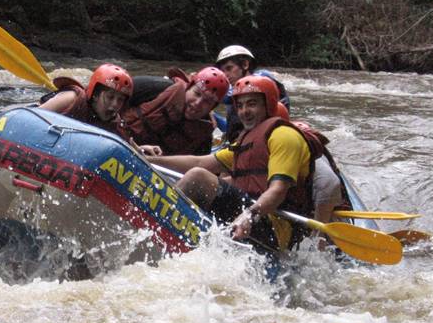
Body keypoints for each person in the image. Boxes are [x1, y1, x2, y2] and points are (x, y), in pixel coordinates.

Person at [145, 75, 324, 256]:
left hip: (276, 227)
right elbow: (201, 161)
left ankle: (150, 226)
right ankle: (167, 228)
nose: (244, 111)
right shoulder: (247, 140)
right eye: (240, 106)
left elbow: (277, 191)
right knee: (208, 175)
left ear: (268, 104)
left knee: (197, 177)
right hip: (252, 213)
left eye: (252, 104)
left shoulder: (284, 136)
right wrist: (149, 160)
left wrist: (249, 215)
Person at [119, 67, 229, 156]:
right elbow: (111, 99)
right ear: (188, 87)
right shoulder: (157, 87)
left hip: (150, 165)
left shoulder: (203, 135)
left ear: (212, 108)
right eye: (197, 94)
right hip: (119, 143)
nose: (197, 103)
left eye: (207, 102)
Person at [215, 45, 290, 143]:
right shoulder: (236, 91)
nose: (225, 75)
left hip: (264, 139)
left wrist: (206, 91)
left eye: (229, 68)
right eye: (222, 71)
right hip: (239, 138)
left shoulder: (262, 78)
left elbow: (227, 97)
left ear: (245, 64)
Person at [38, 63, 133, 134]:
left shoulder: (115, 124)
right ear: (95, 95)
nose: (115, 104)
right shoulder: (72, 98)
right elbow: (31, 117)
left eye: (120, 100)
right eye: (110, 97)